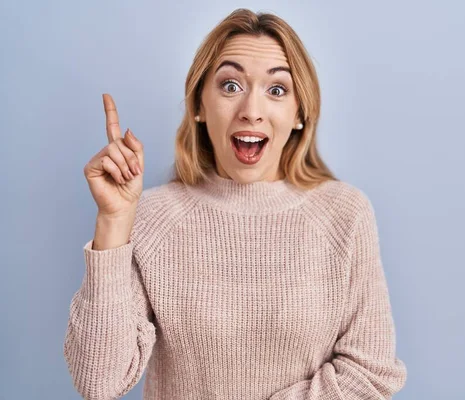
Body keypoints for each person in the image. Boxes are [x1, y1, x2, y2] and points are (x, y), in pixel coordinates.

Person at [63, 8, 407, 400]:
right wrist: (114, 219)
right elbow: (98, 381)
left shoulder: (345, 213)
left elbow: (370, 371)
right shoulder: (151, 218)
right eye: (230, 85)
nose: (251, 111)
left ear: (300, 113)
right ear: (198, 106)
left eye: (276, 90)